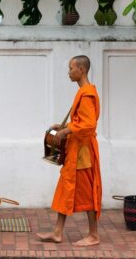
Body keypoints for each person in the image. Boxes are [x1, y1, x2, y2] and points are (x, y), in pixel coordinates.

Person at [37, 55, 102, 247]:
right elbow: (80, 121)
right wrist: (64, 125)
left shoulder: (88, 93)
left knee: (86, 192)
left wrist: (66, 130)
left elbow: (89, 124)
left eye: (71, 68)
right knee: (66, 188)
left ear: (81, 70)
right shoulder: (83, 92)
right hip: (76, 150)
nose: (69, 72)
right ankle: (57, 232)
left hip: (83, 153)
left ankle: (93, 235)